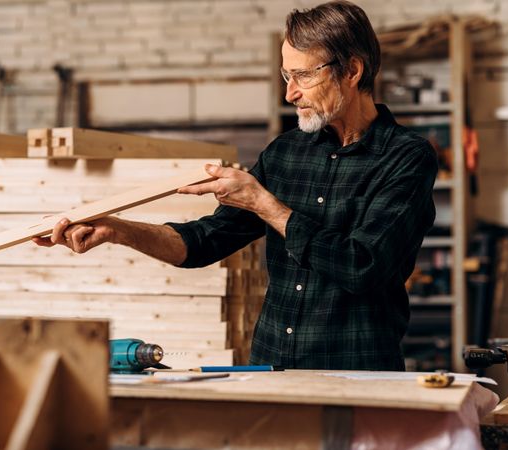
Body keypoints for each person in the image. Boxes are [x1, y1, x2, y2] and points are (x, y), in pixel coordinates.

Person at [33, 0, 437, 371]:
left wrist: (268, 206)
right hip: (272, 370)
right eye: (285, 74)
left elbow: (364, 266)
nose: (289, 92)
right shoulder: (284, 153)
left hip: (357, 375)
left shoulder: (406, 158)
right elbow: (203, 242)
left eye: (301, 76)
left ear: (351, 71)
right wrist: (118, 230)